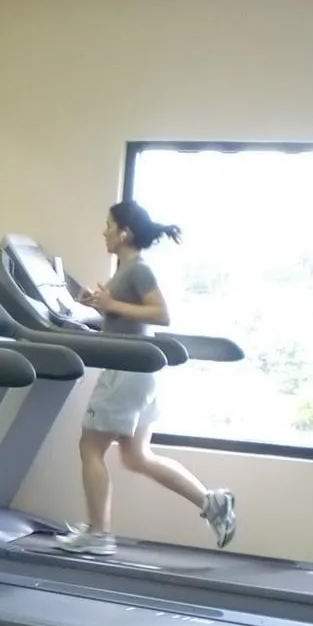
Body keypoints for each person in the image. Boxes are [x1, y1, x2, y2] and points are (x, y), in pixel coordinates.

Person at [56, 200, 237, 555]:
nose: (104, 232)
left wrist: (112, 305)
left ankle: (98, 534)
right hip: (140, 373)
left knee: (89, 446)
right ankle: (211, 501)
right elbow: (127, 315)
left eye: (109, 225)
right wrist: (99, 303)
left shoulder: (138, 269)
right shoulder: (126, 270)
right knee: (136, 455)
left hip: (126, 371)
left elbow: (161, 314)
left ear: (125, 232)